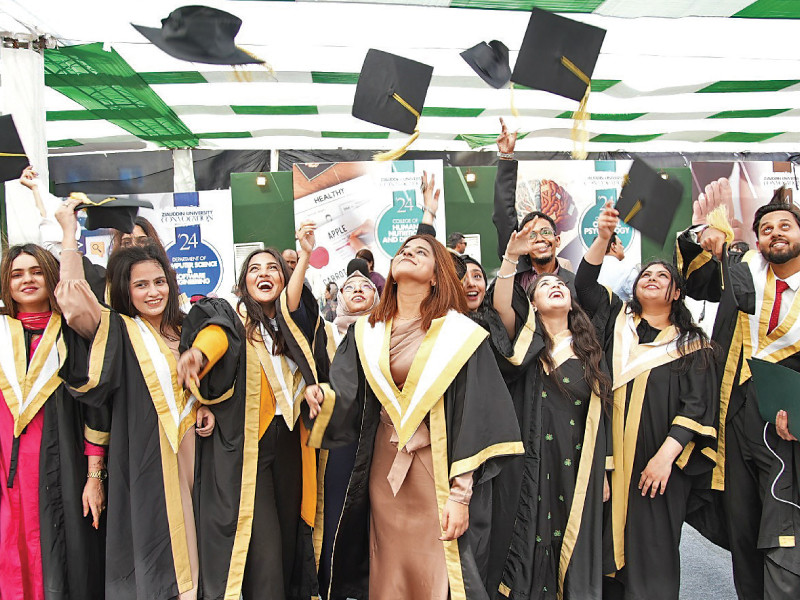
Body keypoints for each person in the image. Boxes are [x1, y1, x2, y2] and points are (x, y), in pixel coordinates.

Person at [304, 233, 524, 600]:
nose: (406, 252)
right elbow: (348, 395)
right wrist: (320, 397)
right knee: (387, 566)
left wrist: (461, 496)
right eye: (403, 249)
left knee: (439, 570)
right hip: (383, 468)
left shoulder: (460, 334)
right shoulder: (366, 331)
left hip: (435, 470)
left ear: (437, 275)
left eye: (420, 251)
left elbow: (477, 415)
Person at [54, 196, 215, 600]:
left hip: (198, 455)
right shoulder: (120, 331)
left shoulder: (185, 330)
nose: (153, 291)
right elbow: (73, 302)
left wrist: (206, 406)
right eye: (140, 285)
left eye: (159, 282)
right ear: (125, 289)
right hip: (148, 458)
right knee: (160, 556)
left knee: (204, 547)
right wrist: (69, 233)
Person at [176, 224, 324, 600]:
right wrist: (198, 356)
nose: (264, 273)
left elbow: (314, 363)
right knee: (264, 551)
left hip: (293, 445)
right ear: (242, 283)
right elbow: (215, 337)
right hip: (252, 450)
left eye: (273, 268)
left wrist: (304, 255)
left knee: (290, 541)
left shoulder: (295, 325)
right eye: (254, 269)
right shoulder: (234, 320)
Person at [579, 202, 718, 600]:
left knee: (652, 554)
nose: (652, 278)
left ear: (676, 292)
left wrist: (665, 458)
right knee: (603, 556)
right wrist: (603, 238)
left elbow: (697, 407)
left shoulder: (691, 345)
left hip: (658, 466)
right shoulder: (615, 323)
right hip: (607, 461)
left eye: (663, 276)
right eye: (646, 275)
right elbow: (586, 287)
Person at [677, 187, 800, 598]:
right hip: (736, 419)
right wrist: (703, 233)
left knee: (786, 528)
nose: (774, 234)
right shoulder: (742, 267)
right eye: (766, 228)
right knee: (743, 525)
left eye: (785, 226)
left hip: (789, 426)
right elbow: (696, 283)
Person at [491, 220, 612, 600]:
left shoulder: (590, 351)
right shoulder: (526, 344)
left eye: (559, 284)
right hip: (532, 460)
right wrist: (511, 257)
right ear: (532, 303)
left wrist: (604, 471)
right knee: (530, 536)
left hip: (578, 462)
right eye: (544, 285)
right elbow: (501, 306)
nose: (555, 285)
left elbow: (602, 416)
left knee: (572, 541)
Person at [0, 242, 106, 600]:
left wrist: (94, 477)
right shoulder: (1, 335)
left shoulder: (72, 335)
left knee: (59, 558)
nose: (27, 280)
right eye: (17, 274)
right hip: (6, 472)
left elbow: (95, 408)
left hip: (60, 468)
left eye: (35, 271)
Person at [492, 119, 576, 295]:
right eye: (531, 235)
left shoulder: (574, 284)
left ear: (557, 239)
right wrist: (506, 158)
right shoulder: (514, 275)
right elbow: (504, 217)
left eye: (545, 232)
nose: (539, 239)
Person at [596, 233, 638, 302]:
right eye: (620, 244)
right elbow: (640, 296)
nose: (623, 247)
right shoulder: (627, 270)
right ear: (613, 246)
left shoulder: (586, 271)